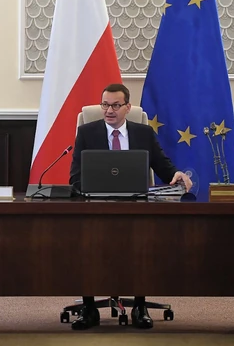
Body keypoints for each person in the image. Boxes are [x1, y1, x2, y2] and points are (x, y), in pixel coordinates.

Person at [67, 83, 192, 330]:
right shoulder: (87, 133)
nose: (109, 110)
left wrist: (177, 174)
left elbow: (163, 166)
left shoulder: (143, 133)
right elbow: (75, 177)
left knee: (142, 247)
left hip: (136, 208)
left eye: (115, 105)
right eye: (105, 105)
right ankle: (89, 308)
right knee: (86, 245)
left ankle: (140, 307)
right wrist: (94, 190)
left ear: (128, 107)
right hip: (97, 207)